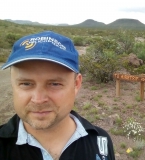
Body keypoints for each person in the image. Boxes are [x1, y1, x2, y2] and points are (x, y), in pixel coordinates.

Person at [0, 31, 115, 160]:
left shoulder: (100, 143)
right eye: (26, 83)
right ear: (12, 83)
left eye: (54, 84)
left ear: (76, 84)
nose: (38, 100)